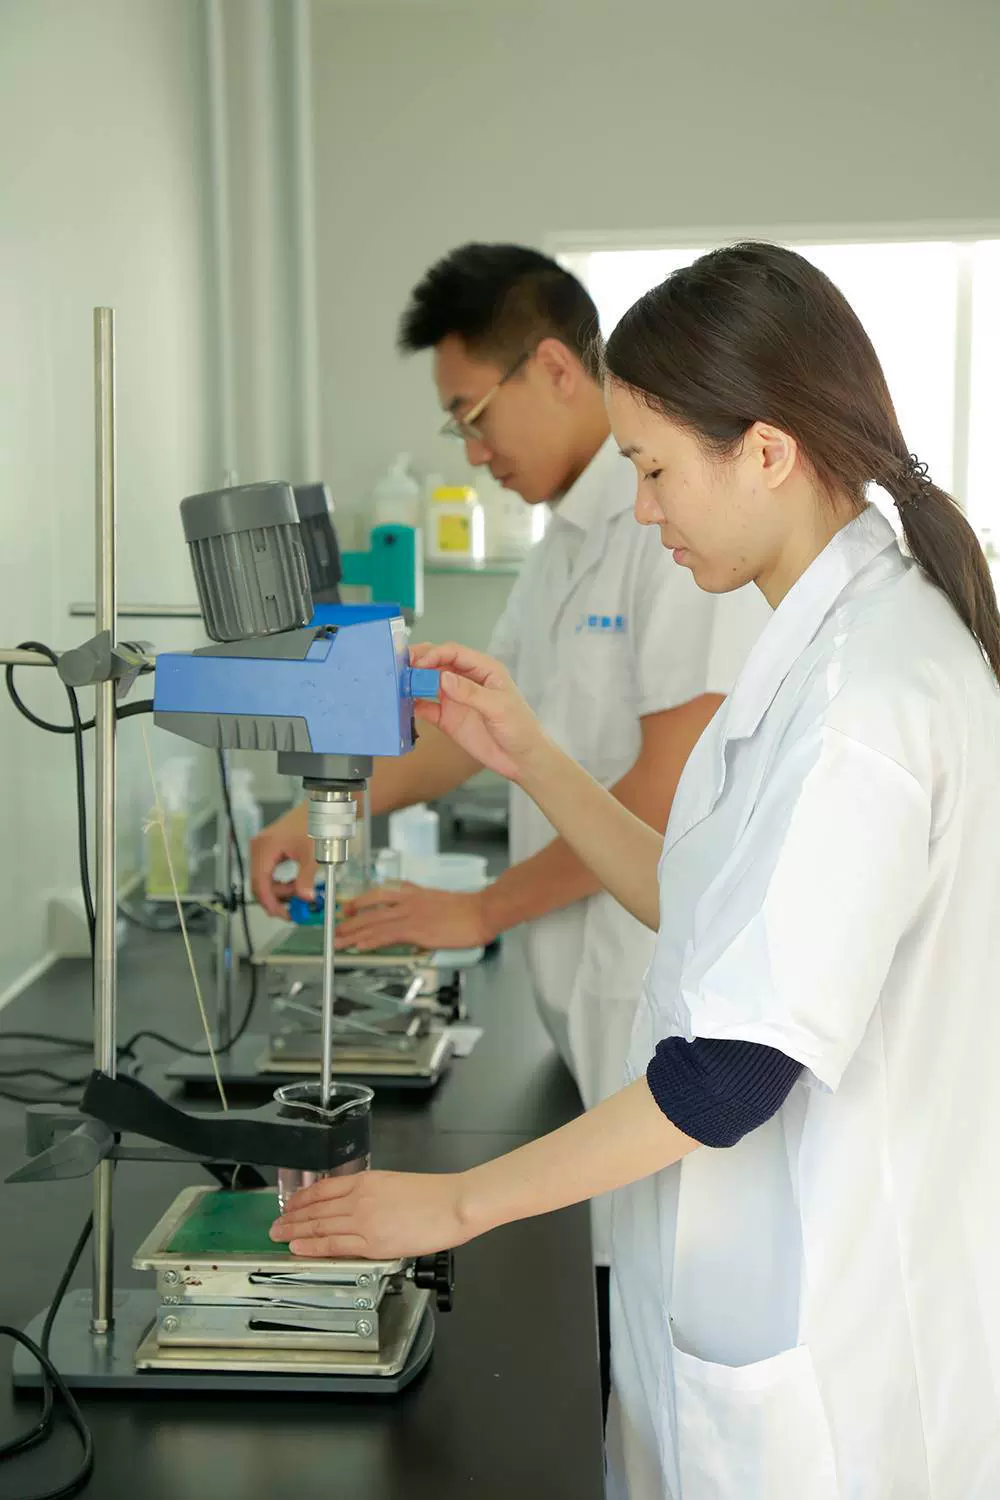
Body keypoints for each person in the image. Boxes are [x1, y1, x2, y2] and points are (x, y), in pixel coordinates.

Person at [269, 242, 1000, 1499]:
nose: (644, 509)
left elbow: (730, 1075)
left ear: (765, 452)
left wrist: (451, 1207)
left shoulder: (865, 698)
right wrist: (528, 752)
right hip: (748, 1279)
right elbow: (703, 907)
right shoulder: (830, 648)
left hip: (833, 1349)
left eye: (655, 470)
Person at [252, 245, 765, 1408]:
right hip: (582, 1012)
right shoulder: (561, 547)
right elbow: (477, 734)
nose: (472, 452)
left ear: (553, 369)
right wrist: (322, 803)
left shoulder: (668, 536)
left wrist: (479, 908)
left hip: (652, 1011)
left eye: (473, 415)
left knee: (649, 1344)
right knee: (607, 1338)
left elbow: (662, 791)